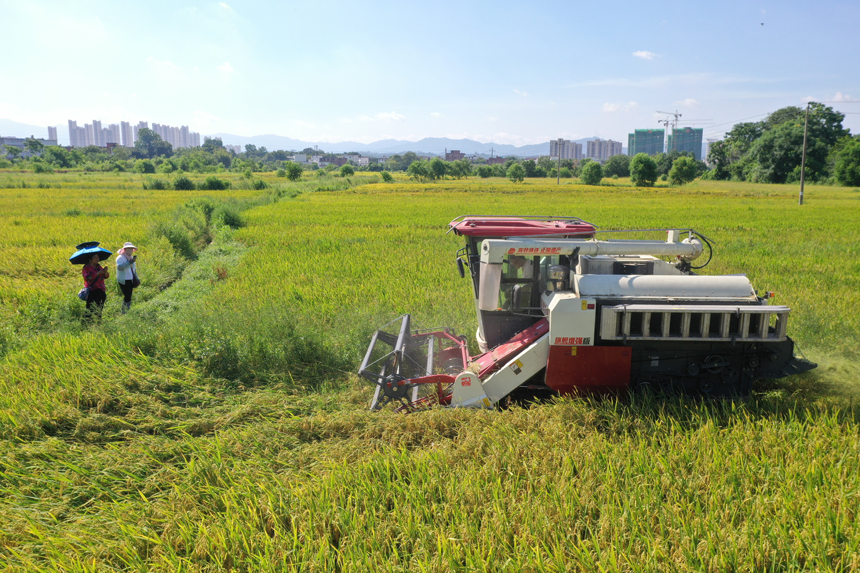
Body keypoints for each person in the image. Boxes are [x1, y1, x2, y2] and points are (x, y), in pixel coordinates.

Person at [82, 253, 109, 323]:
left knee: (99, 308)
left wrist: (105, 272)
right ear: (90, 259)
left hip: (101, 289)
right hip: (92, 291)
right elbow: (87, 278)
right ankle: (87, 324)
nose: (97, 259)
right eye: (95, 257)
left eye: (98, 257)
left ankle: (98, 323)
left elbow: (106, 276)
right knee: (90, 309)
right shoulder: (86, 267)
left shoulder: (98, 266)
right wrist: (97, 273)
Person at [115, 242, 138, 314]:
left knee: (129, 295)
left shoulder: (131, 257)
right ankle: (124, 312)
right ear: (125, 249)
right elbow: (120, 267)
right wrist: (129, 262)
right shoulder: (120, 258)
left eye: (131, 249)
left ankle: (127, 310)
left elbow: (133, 269)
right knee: (127, 295)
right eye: (128, 249)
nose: (130, 250)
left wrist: (136, 277)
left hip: (130, 279)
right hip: (123, 280)